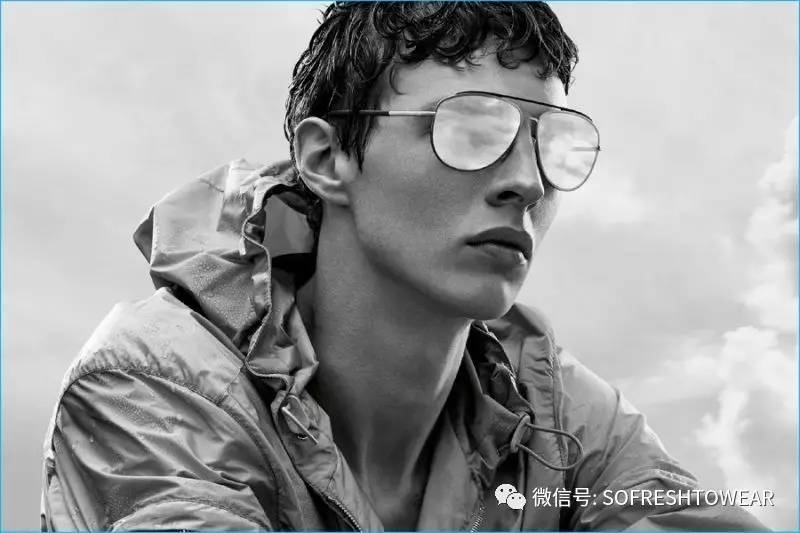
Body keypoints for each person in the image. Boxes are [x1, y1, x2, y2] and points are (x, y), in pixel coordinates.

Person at [41, 2, 767, 531]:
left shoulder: (557, 416)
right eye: (472, 128)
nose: (527, 182)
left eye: (553, 144)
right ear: (327, 158)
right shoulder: (152, 389)